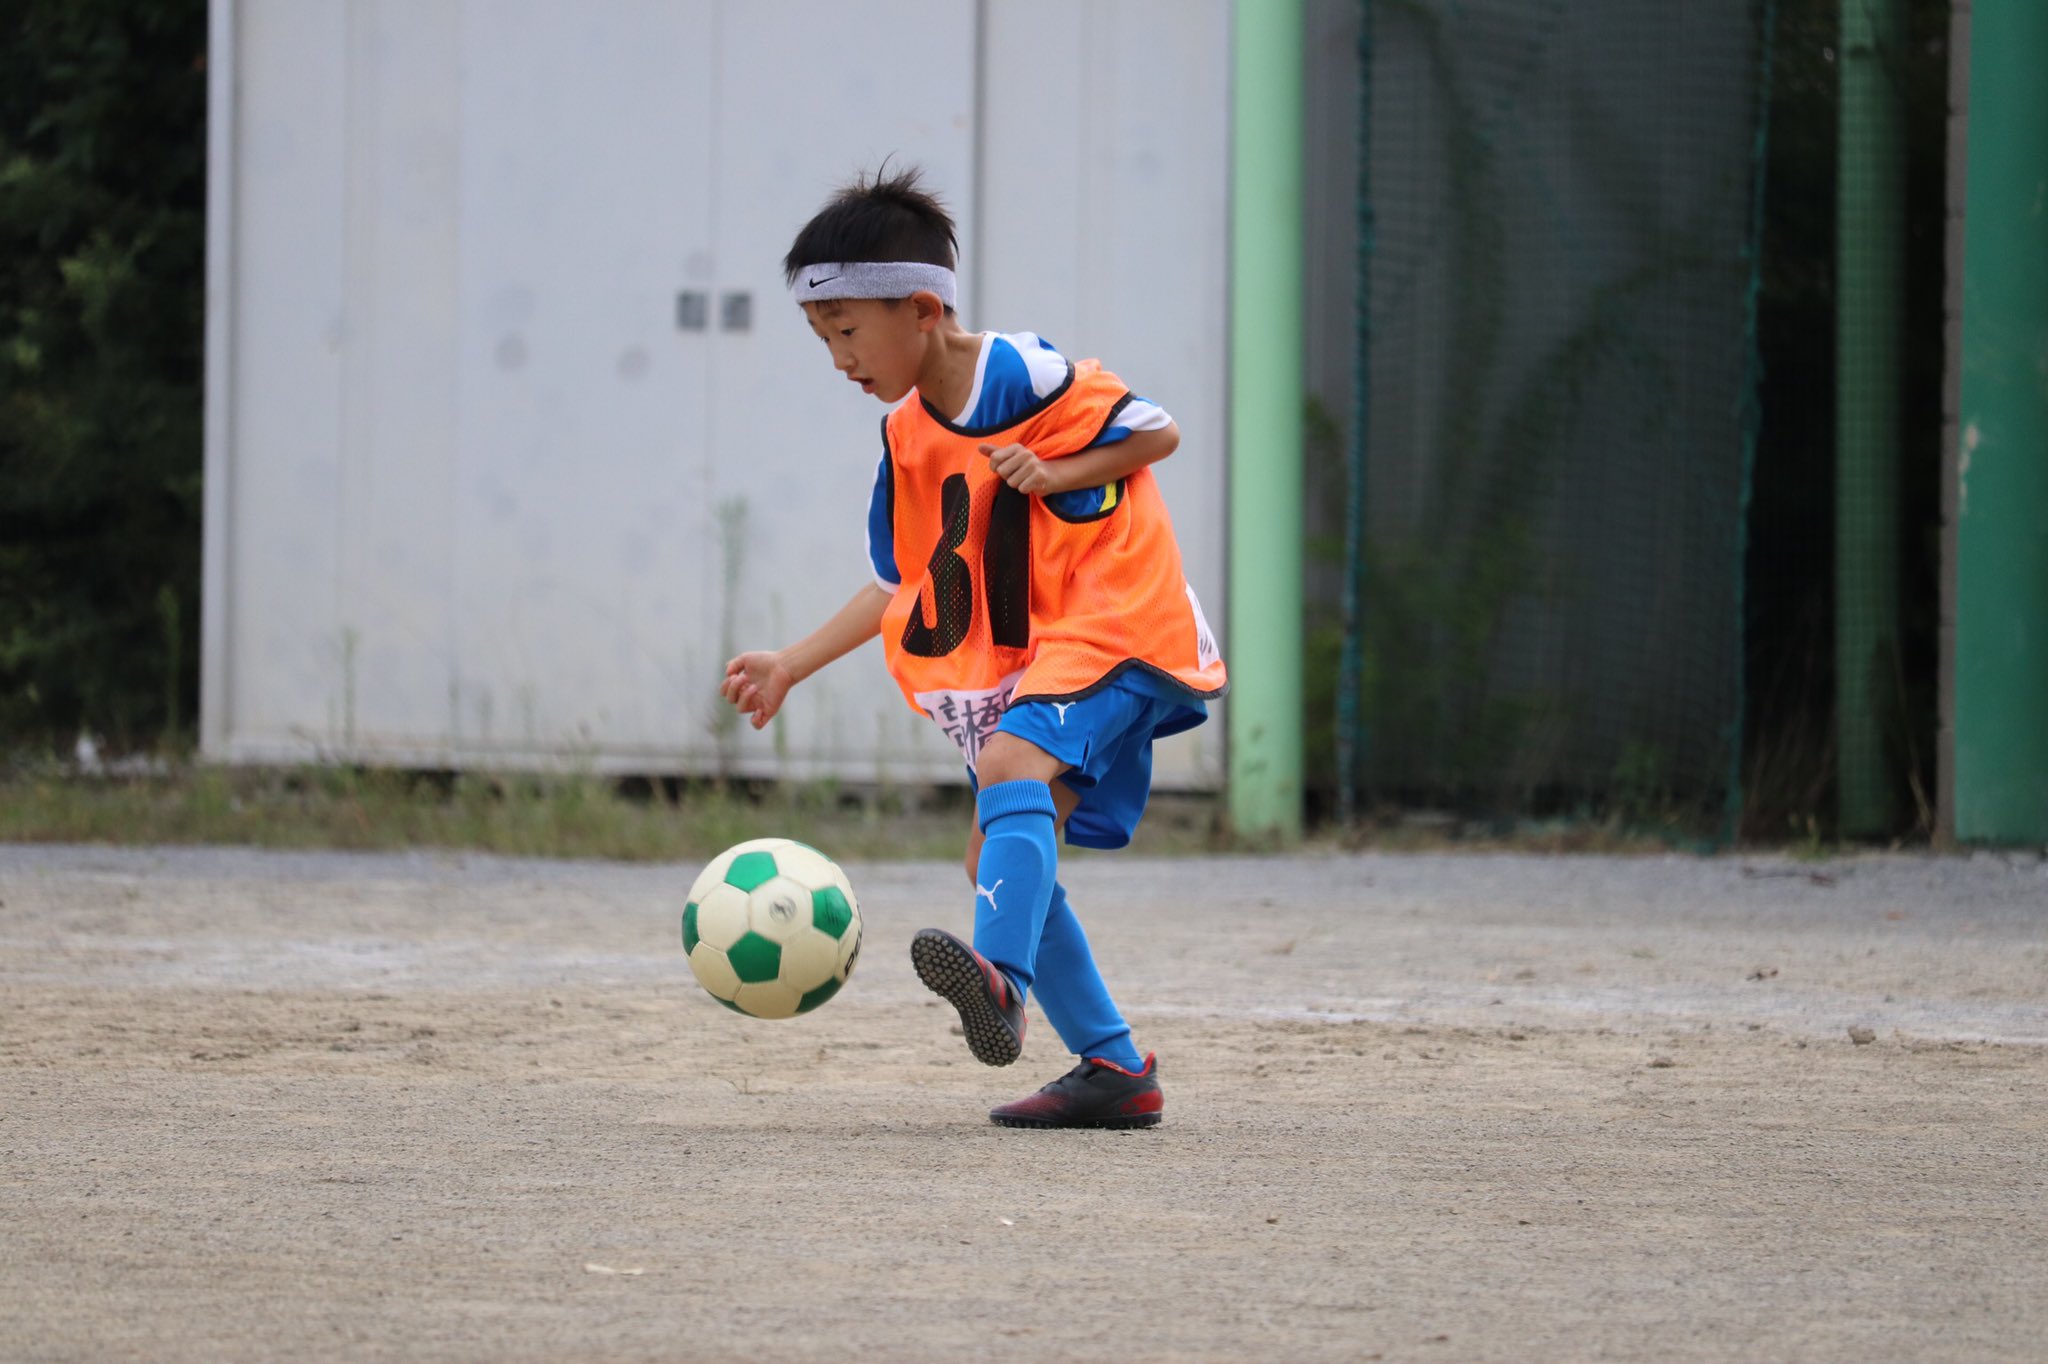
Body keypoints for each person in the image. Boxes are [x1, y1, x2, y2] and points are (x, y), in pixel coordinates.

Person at [719, 166, 1226, 1129]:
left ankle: (1001, 981)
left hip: (1122, 616)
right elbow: (897, 582)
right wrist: (790, 662)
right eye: (822, 338)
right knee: (990, 854)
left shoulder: (1023, 374)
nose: (838, 358)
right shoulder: (905, 435)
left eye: (847, 333)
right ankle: (1115, 1069)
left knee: (1008, 760)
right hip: (1063, 649)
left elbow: (1156, 431)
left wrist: (1057, 466)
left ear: (922, 309)